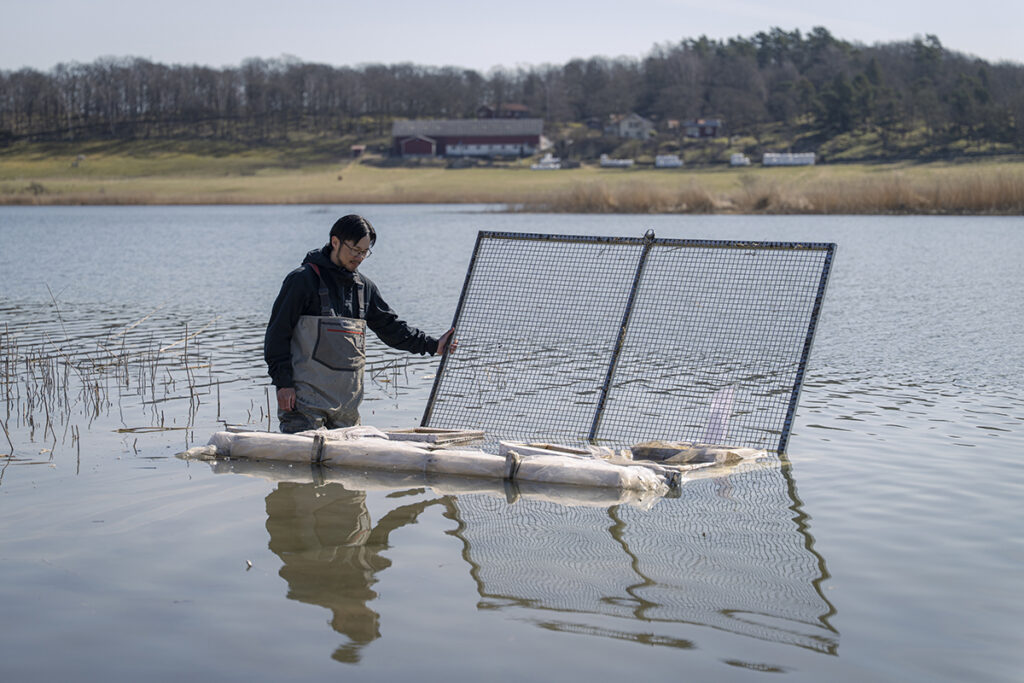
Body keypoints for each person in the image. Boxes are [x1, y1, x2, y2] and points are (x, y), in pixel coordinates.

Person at [264, 214, 455, 433]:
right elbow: (276, 336)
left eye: (365, 252)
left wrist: (432, 345)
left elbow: (391, 328)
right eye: (355, 250)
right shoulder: (302, 280)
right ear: (335, 242)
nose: (360, 257)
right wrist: (283, 384)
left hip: (346, 409)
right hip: (304, 407)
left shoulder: (364, 288)